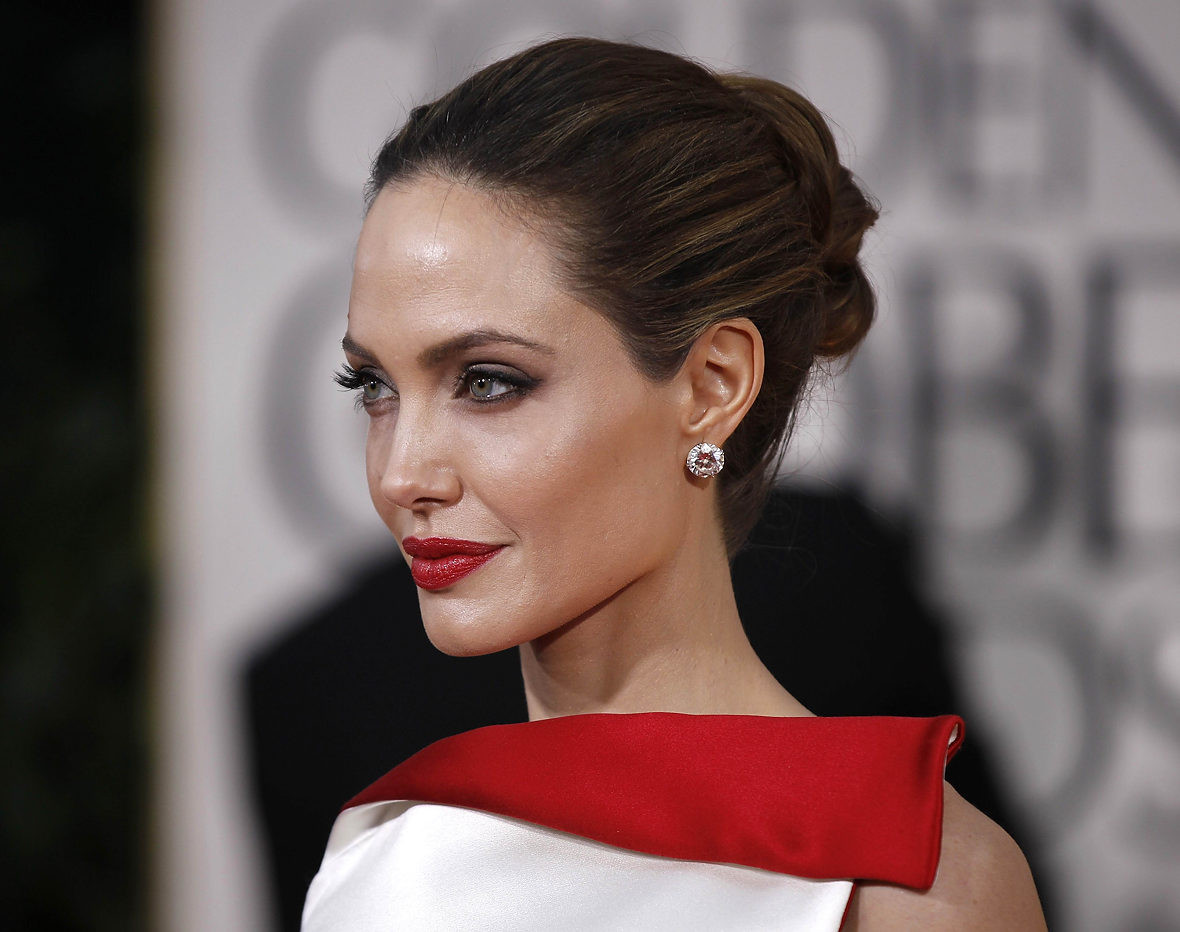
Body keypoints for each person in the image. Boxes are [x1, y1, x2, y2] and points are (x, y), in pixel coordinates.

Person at [302, 36, 1046, 930]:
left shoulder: (913, 888)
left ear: (712, 387)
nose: (401, 475)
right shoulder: (377, 876)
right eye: (373, 386)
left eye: (489, 382)